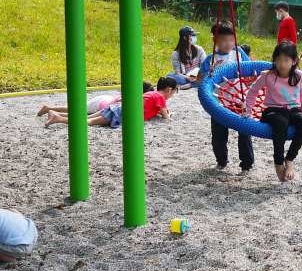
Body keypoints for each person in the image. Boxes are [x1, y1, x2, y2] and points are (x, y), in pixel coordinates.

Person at [244, 42, 302, 183]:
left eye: (286, 60)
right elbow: (253, 92)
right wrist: (247, 111)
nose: (282, 64)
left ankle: (290, 159)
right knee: (281, 122)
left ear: (293, 61)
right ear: (274, 60)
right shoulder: (268, 75)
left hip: (293, 110)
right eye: (278, 60)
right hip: (272, 111)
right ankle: (279, 162)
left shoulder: (300, 77)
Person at [198, 21, 254, 173]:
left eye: (231, 39)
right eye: (223, 40)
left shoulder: (238, 53)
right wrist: (209, 73)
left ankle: (246, 164)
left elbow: (250, 70)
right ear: (214, 40)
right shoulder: (211, 59)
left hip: (239, 99)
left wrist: (250, 80)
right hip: (218, 102)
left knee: (244, 131)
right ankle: (221, 161)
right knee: (219, 134)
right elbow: (199, 80)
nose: (228, 43)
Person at [44, 77, 177, 128]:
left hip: (116, 107)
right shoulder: (160, 98)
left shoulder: (150, 94)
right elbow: (166, 117)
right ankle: (58, 118)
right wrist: (169, 116)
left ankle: (54, 112)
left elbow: (150, 109)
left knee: (86, 116)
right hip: (120, 112)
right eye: (174, 92)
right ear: (169, 90)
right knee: (88, 122)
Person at [36, 83, 154, 119]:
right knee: (81, 113)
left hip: (105, 98)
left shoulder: (131, 93)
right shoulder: (138, 99)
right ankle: (53, 112)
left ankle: (50, 108)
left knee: (78, 109)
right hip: (104, 104)